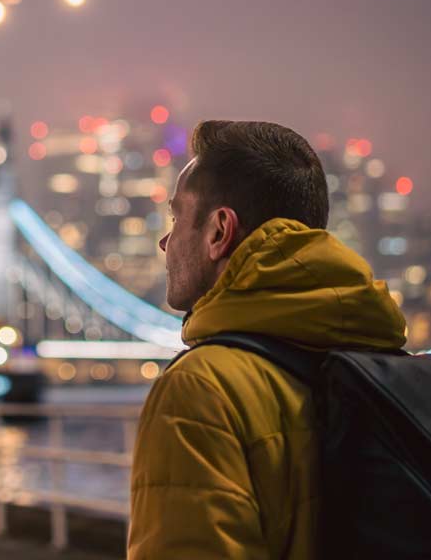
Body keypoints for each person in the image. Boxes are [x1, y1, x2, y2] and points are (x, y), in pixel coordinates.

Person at [127, 120, 406, 560]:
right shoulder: (390, 365)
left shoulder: (201, 389)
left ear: (219, 231)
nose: (166, 241)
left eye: (177, 217)